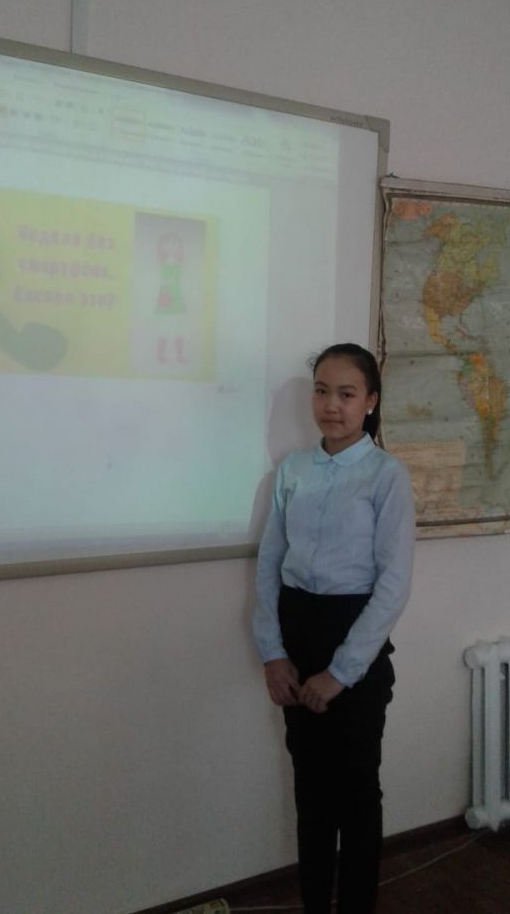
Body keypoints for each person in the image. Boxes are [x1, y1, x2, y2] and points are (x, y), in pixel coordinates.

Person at [253, 343, 415, 914]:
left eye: (346, 394)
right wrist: (273, 652)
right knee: (311, 792)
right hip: (297, 636)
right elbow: (269, 565)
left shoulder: (386, 475)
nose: (331, 405)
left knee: (357, 794)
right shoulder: (293, 470)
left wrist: (341, 673)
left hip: (356, 644)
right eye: (322, 391)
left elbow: (394, 584)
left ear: (370, 401)